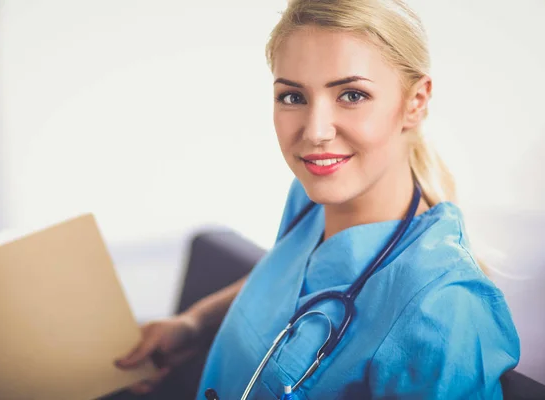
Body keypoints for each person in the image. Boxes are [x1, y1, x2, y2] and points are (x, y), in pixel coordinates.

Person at [115, 0, 520, 398]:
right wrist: (196, 324)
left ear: (415, 102)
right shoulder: (312, 198)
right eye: (293, 97)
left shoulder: (446, 310)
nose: (315, 131)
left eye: (351, 95)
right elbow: (288, 279)